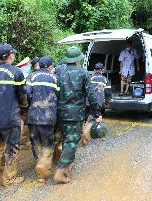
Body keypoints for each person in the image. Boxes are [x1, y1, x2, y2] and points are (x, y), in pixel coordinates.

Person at [0, 43, 28, 190]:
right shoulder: (16, 73)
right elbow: (22, 96)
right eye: (13, 54)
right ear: (10, 56)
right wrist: (24, 109)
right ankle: (9, 179)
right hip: (10, 118)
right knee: (12, 148)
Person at [54, 47, 101, 184]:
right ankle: (61, 172)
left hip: (60, 112)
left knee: (66, 139)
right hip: (75, 114)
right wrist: (96, 110)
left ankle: (67, 166)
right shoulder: (83, 73)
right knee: (71, 142)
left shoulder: (58, 72)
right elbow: (91, 95)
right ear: (78, 60)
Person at [26, 56, 59, 183]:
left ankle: (39, 171)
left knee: (35, 142)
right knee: (48, 143)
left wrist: (31, 104)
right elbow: (58, 96)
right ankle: (44, 169)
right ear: (50, 66)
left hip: (33, 116)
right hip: (49, 117)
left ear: (39, 65)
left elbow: (27, 94)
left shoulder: (31, 77)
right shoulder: (55, 78)